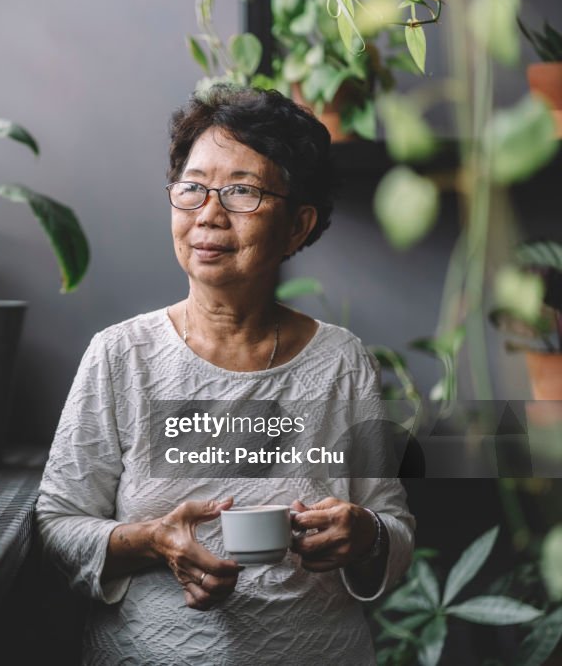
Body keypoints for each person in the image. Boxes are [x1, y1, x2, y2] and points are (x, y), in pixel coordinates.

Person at [36, 85, 415, 665]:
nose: (209, 214)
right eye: (193, 187)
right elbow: (57, 524)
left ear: (297, 225)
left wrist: (365, 534)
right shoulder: (120, 355)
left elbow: (393, 531)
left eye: (241, 191)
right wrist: (153, 541)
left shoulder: (342, 361)